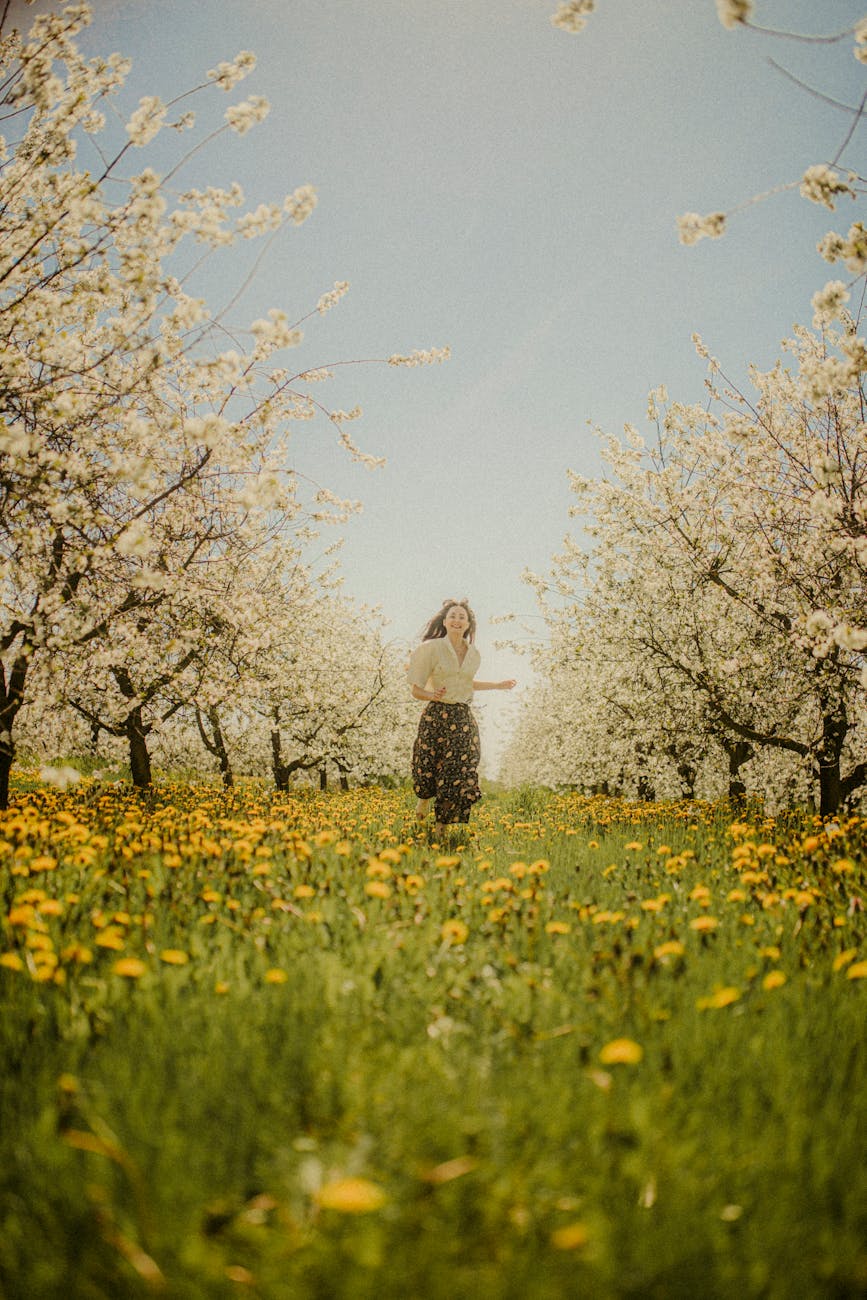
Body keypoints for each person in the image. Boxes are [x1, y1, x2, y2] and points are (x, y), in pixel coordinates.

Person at [407, 598, 516, 838]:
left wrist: (497, 685)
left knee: (457, 771)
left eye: (462, 617)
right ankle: (424, 799)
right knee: (426, 769)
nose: (457, 620)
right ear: (445, 621)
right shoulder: (431, 649)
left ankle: (441, 831)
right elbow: (416, 690)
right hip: (436, 715)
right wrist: (431, 694)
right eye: (453, 616)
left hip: (462, 717)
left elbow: (467, 683)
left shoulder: (473, 653)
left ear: (468, 625)